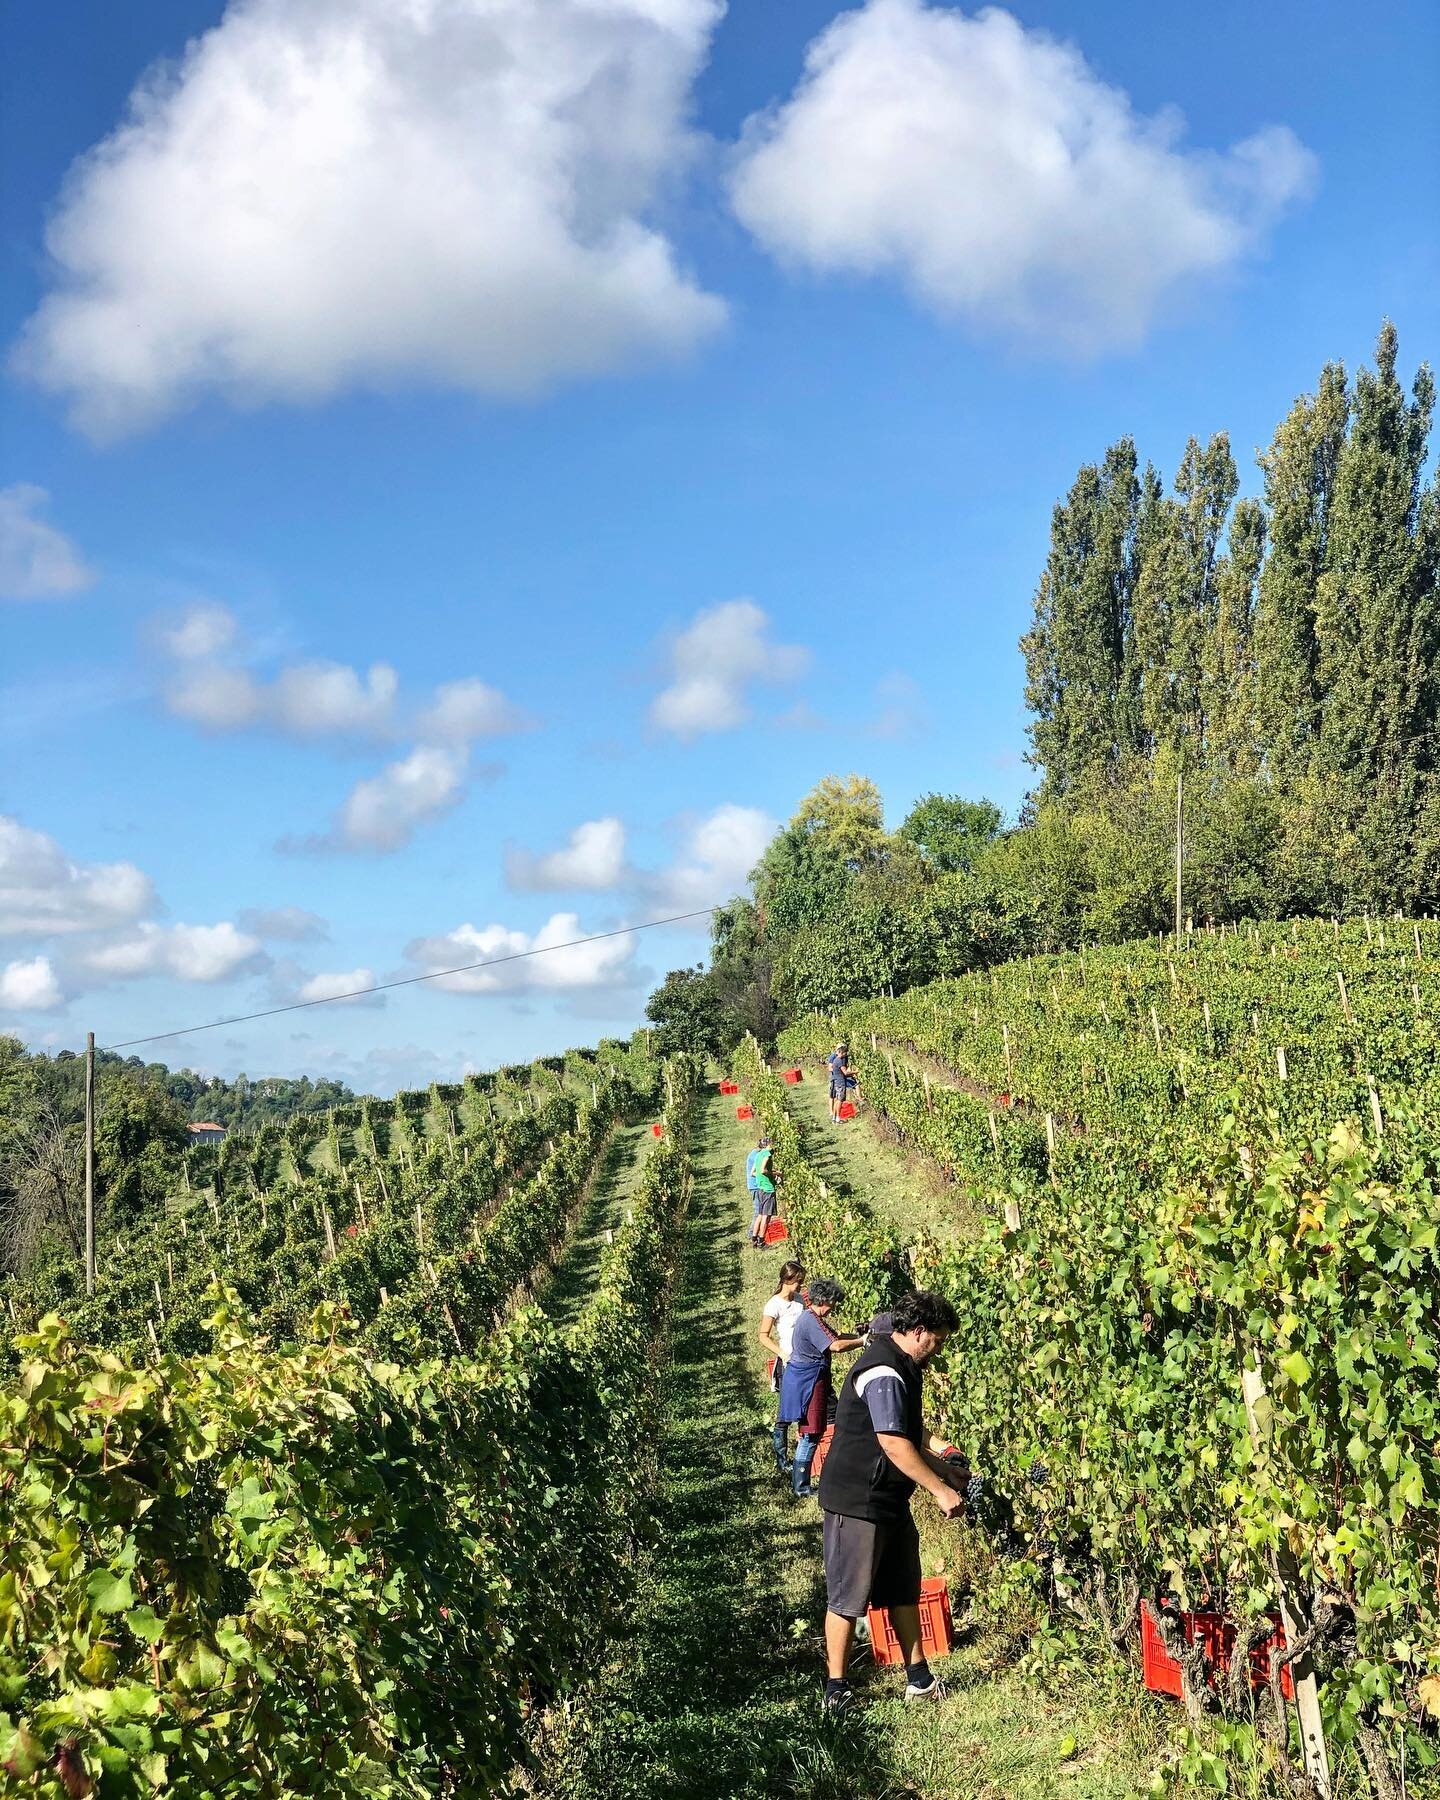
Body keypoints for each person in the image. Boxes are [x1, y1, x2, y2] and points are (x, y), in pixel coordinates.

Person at [816, 1288, 967, 1711]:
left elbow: (906, 1430)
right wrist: (940, 1490)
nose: (938, 1350)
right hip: (858, 1499)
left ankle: (918, 1678)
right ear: (919, 1333)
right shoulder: (884, 1371)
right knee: (847, 1598)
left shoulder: (899, 1360)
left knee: (903, 1589)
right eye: (937, 1340)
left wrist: (943, 1466)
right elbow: (893, 1443)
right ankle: (836, 1689)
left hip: (888, 1497)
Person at [778, 1277, 864, 1497]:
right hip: (809, 1382)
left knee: (811, 1431)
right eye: (833, 1303)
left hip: (810, 1379)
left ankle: (801, 1484)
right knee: (811, 1433)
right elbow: (835, 1345)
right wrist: (862, 1342)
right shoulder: (810, 1321)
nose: (833, 1308)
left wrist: (861, 1337)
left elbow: (836, 1336)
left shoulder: (812, 1318)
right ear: (824, 1300)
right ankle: (802, 1487)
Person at [758, 1259, 807, 1474]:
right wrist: (782, 1353)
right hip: (788, 1362)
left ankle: (803, 1453)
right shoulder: (774, 1305)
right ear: (787, 1280)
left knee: (804, 1407)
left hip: (804, 1359)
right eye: (798, 1281)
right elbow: (763, 1336)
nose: (800, 1285)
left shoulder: (799, 1301)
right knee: (785, 1414)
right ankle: (781, 1459)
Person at [745, 1137, 778, 1250]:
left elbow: (753, 1172)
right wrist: (775, 1174)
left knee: (759, 1214)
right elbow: (763, 1170)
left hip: (759, 1187)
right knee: (766, 1216)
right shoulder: (766, 1154)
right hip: (767, 1188)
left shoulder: (758, 1155)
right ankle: (761, 1241)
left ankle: (754, 1239)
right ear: (770, 1144)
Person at [827, 1042, 853, 1124]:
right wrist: (855, 1072)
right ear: (841, 1052)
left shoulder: (835, 1060)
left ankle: (834, 1118)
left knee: (837, 1100)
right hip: (840, 1083)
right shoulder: (839, 1061)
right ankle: (838, 1118)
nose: (845, 1054)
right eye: (845, 1052)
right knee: (839, 1100)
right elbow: (845, 1072)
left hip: (837, 1082)